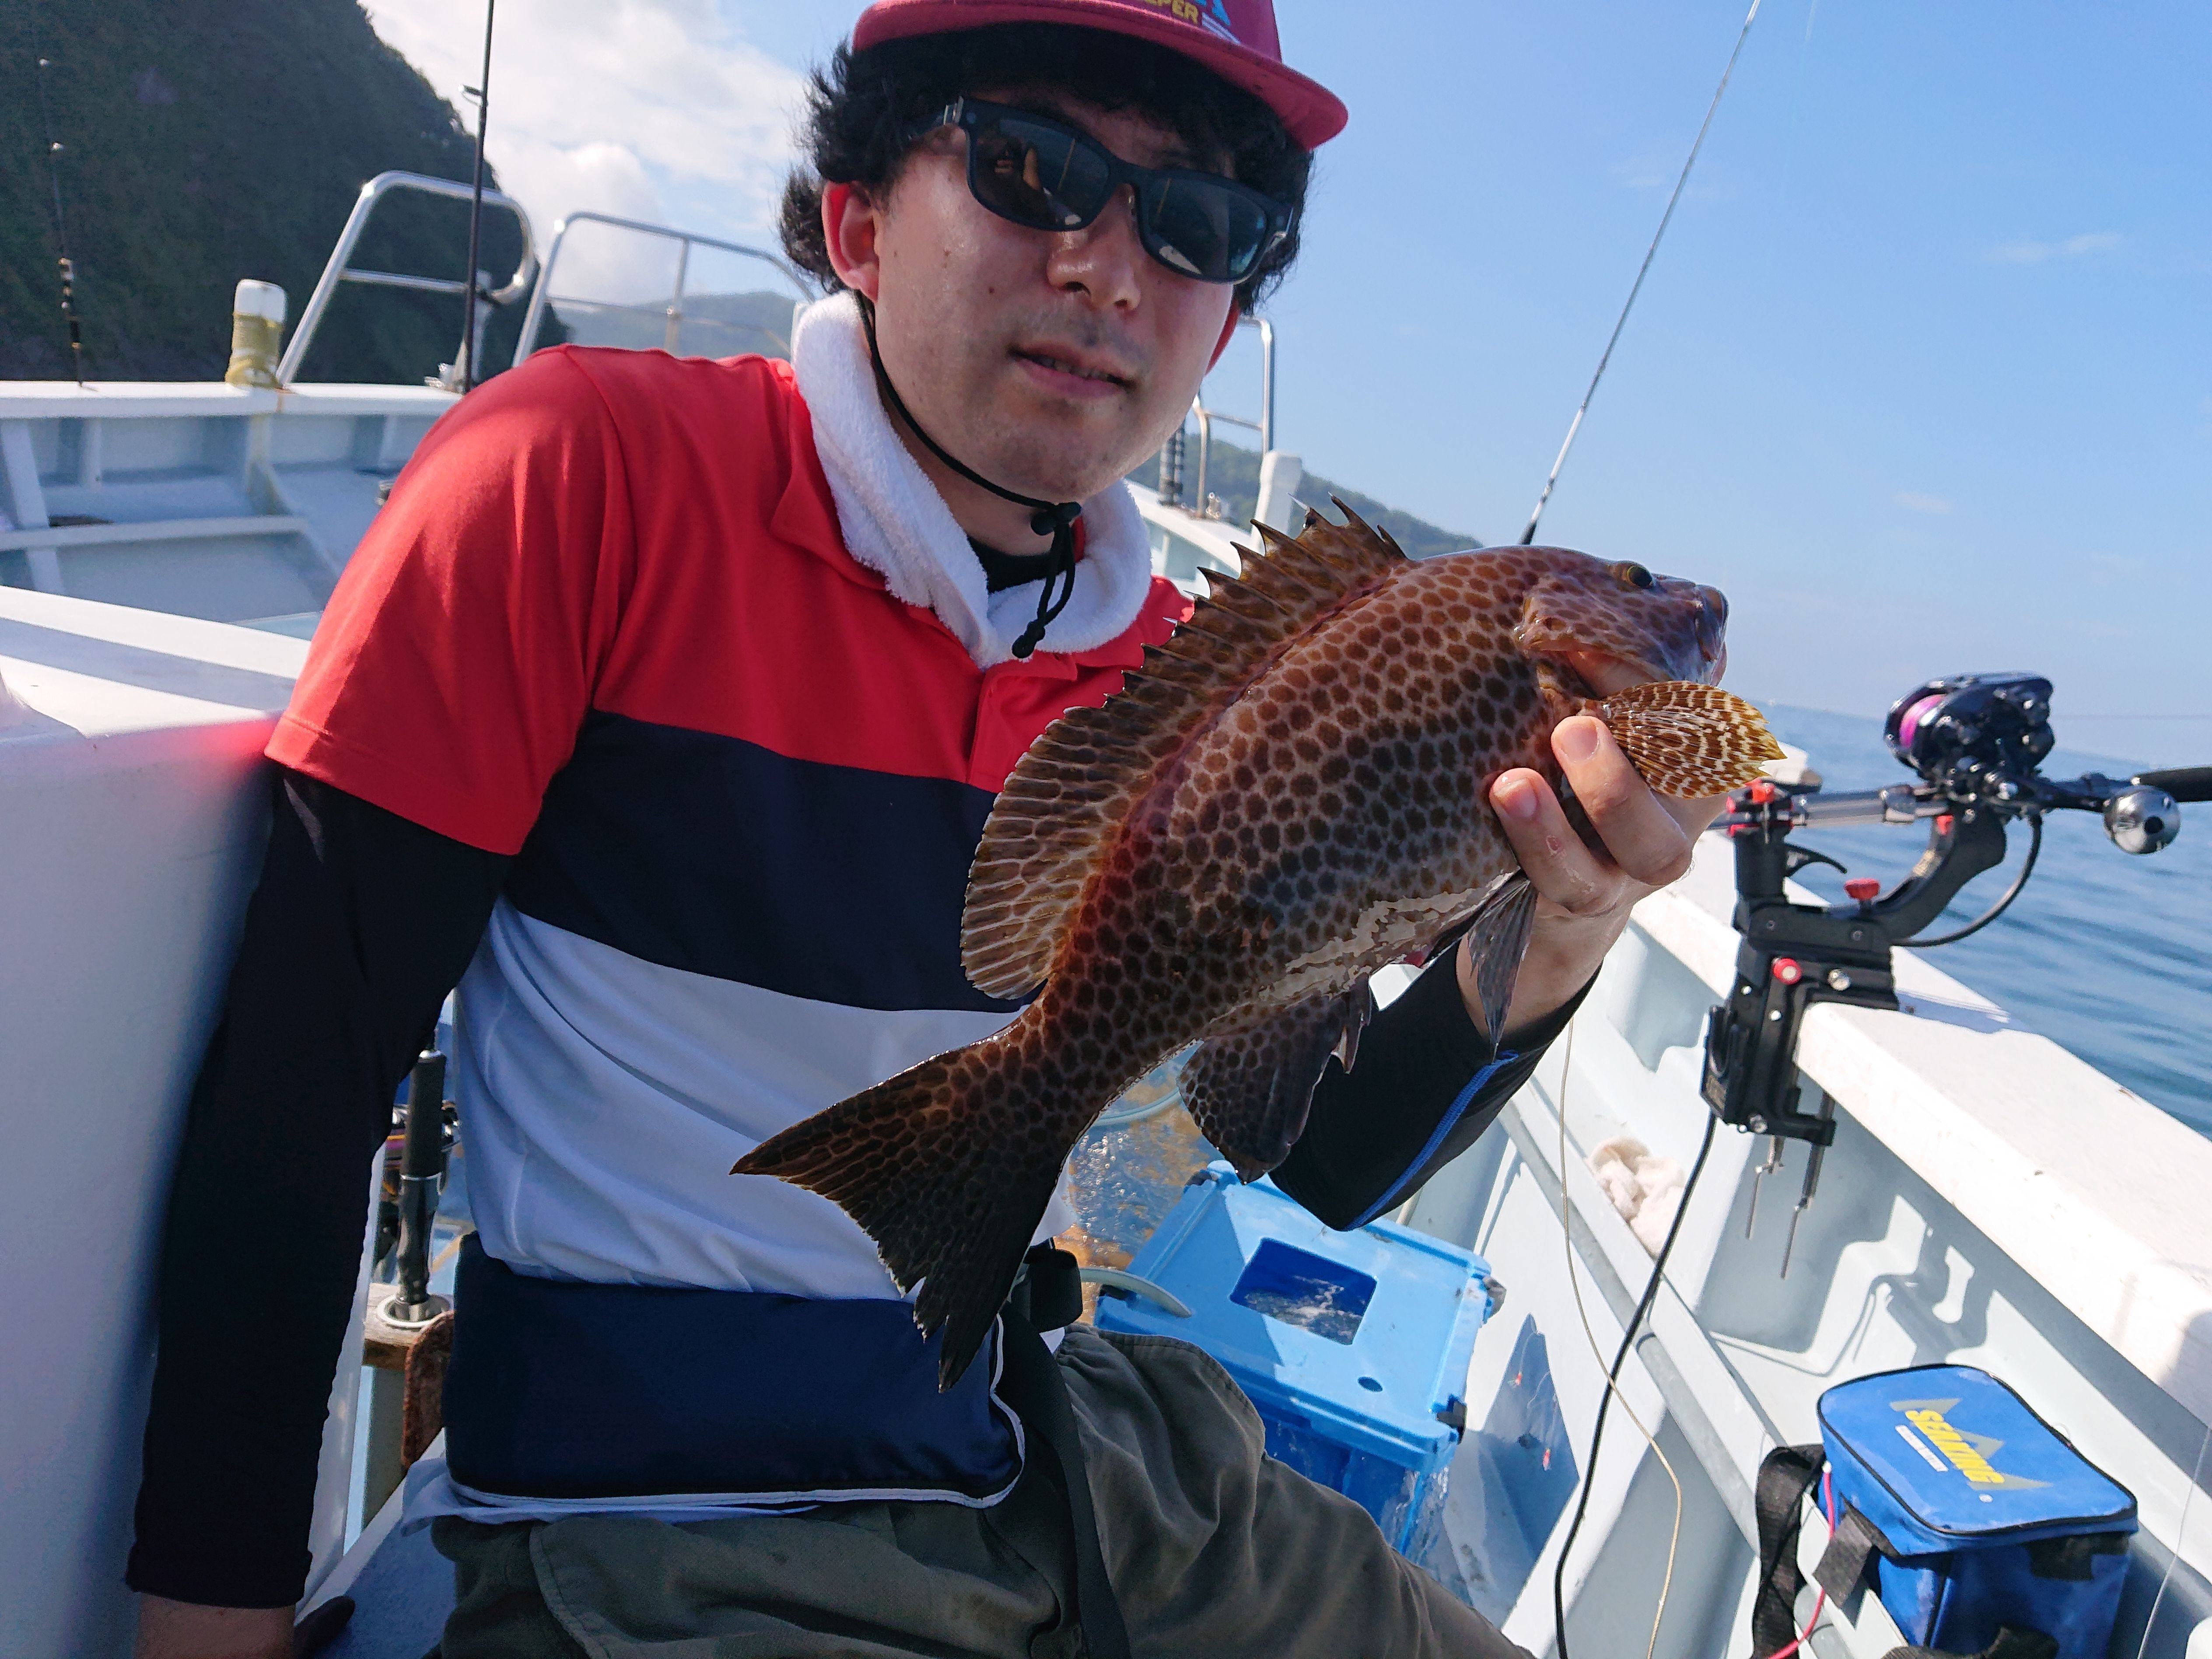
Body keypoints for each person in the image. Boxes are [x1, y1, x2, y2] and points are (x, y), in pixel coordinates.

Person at [129, 4, 1721, 1655]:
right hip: (662, 1509)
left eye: (1197, 223)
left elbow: (1311, 1159)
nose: (1110, 270)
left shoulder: (1196, 682)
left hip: (1058, 1443)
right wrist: (211, 1623)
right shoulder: (576, 475)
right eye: (1036, 170)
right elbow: (301, 1085)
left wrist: (1567, 926)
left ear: (1229, 318)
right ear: (858, 221)